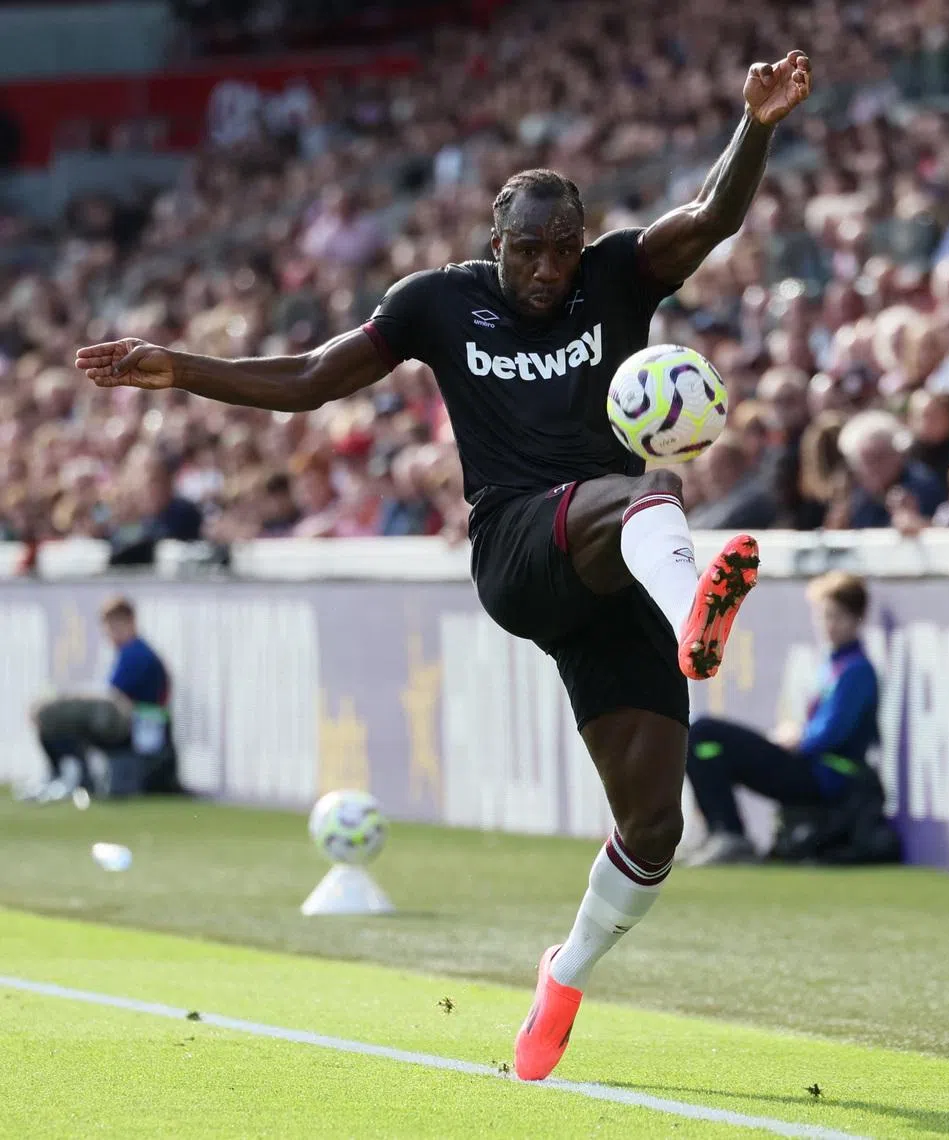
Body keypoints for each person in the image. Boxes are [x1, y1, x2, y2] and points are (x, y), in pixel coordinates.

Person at [75, 52, 814, 1082]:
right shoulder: (436, 303)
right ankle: (698, 605)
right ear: (493, 245)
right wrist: (182, 368)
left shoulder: (617, 275)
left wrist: (757, 125)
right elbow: (311, 377)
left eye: (562, 249)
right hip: (520, 544)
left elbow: (712, 217)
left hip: (616, 575)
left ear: (583, 241)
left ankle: (563, 975)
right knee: (652, 487)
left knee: (654, 826)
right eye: (529, 252)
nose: (548, 270)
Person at [684, 572, 892, 867]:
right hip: (811, 767)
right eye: (824, 616)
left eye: (838, 617)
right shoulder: (835, 664)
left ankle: (730, 835)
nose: (829, 625)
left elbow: (830, 734)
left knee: (704, 732)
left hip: (827, 776)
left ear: (857, 619)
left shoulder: (857, 670)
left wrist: (797, 739)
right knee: (701, 741)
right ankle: (721, 830)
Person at [24, 597, 177, 802]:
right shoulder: (127, 653)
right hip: (135, 726)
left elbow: (112, 699)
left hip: (141, 729)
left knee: (52, 714)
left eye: (115, 626)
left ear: (130, 622)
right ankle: (69, 776)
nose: (110, 633)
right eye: (108, 627)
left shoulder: (136, 654)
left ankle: (70, 777)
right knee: (60, 720)